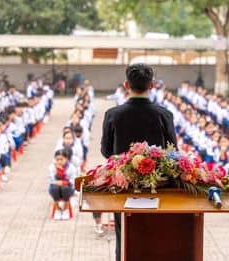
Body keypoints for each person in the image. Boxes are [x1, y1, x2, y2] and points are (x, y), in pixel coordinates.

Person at [100, 63, 177, 261]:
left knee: (123, 236)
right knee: (156, 234)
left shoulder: (112, 115)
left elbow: (107, 151)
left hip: (123, 186)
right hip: (157, 187)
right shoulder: (164, 114)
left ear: (126, 84)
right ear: (152, 86)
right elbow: (173, 152)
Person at [48, 148, 77, 220]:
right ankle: (58, 209)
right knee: (55, 188)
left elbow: (73, 180)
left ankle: (65, 209)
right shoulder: (52, 167)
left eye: (61, 159)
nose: (59, 161)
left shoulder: (71, 167)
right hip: (55, 187)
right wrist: (57, 182)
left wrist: (64, 182)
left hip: (68, 187)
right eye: (57, 159)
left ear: (66, 159)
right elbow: (50, 179)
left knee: (65, 188)